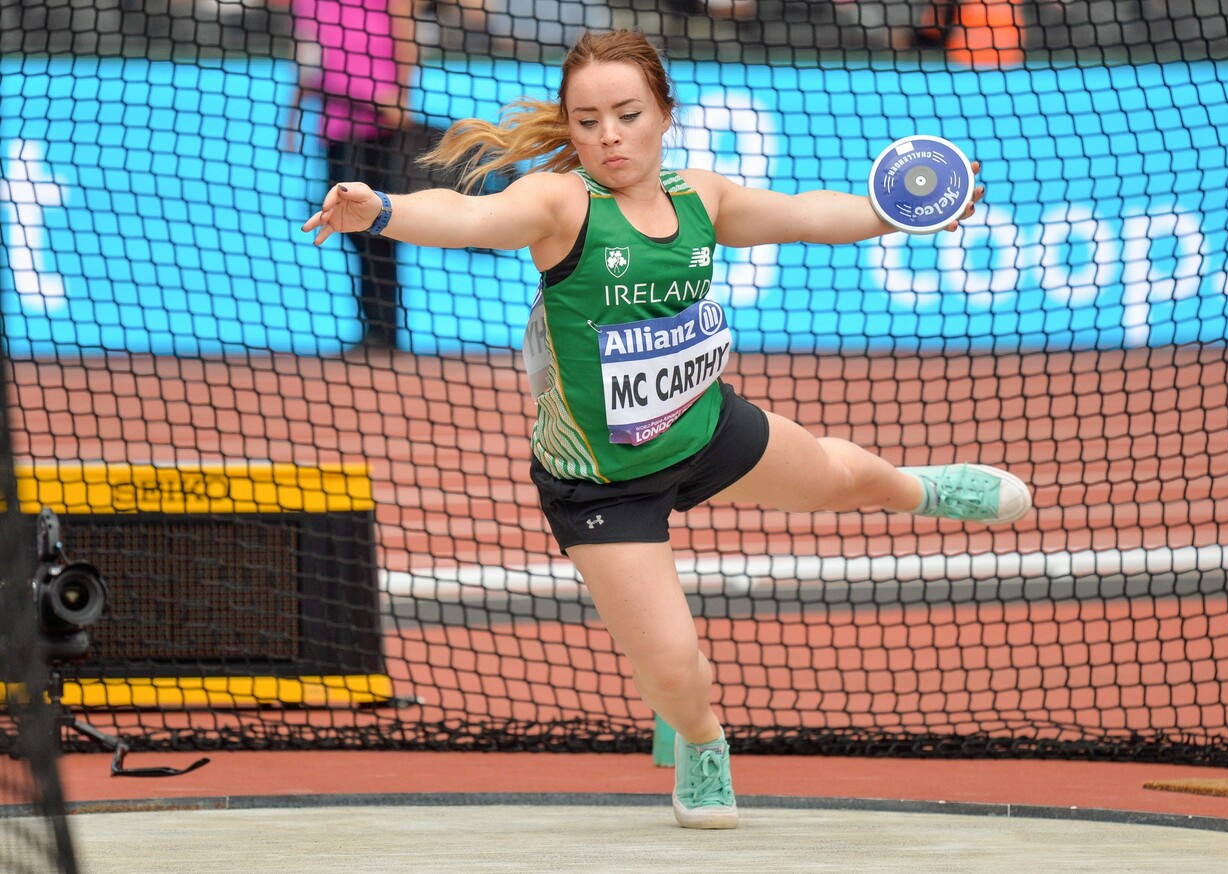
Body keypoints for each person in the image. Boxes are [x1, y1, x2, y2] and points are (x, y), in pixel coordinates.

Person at [302, 28, 1031, 829]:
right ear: (571, 128)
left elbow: (803, 214)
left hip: (702, 425)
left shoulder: (700, 198)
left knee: (840, 478)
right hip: (601, 484)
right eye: (587, 121)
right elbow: (473, 216)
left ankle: (921, 489)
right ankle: (700, 740)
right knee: (678, 669)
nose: (608, 136)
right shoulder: (560, 203)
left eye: (627, 114)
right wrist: (385, 210)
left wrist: (900, 213)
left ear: (664, 115)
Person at [284, 0, 420, 350]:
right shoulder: (306, 4)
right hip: (337, 131)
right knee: (351, 230)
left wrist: (402, 97)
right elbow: (308, 62)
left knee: (382, 228)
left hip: (381, 129)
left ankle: (385, 331)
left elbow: (405, 37)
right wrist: (293, 117)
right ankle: (373, 329)